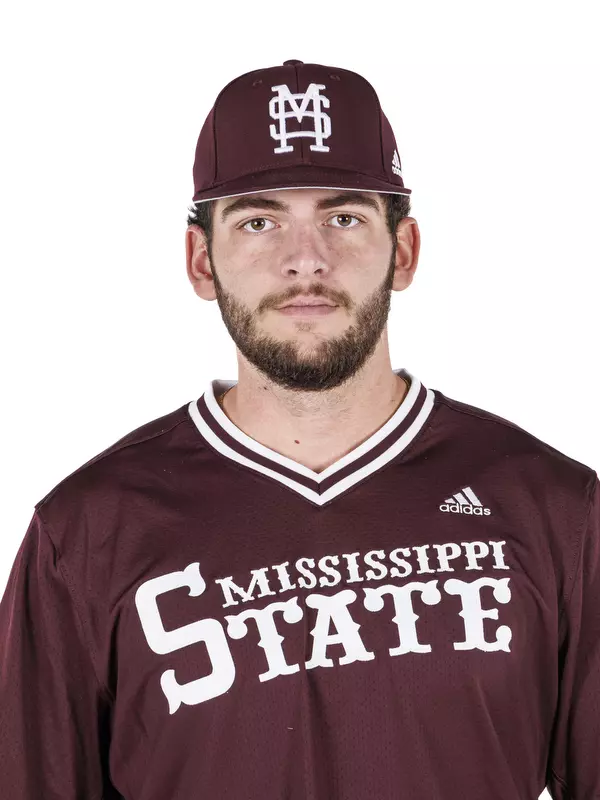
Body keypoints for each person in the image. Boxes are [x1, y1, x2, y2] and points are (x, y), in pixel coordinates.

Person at [0, 59, 598, 800]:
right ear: (201, 262)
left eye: (343, 218)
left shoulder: (557, 511)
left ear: (404, 250)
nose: (305, 261)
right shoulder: (86, 534)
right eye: (259, 221)